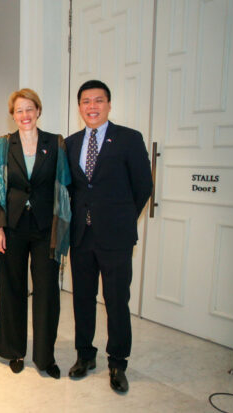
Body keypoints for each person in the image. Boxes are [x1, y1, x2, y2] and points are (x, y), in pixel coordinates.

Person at [65, 80, 152, 393]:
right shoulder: (71, 143)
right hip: (81, 236)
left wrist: (124, 217)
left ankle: (118, 362)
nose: (92, 106)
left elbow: (143, 185)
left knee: (117, 301)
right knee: (83, 299)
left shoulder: (128, 139)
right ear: (79, 107)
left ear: (109, 105)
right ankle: (85, 356)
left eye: (98, 100)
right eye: (86, 101)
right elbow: (73, 188)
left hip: (116, 236)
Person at [0, 88, 71, 377]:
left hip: (45, 229)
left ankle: (45, 357)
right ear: (12, 115)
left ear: (38, 111)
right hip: (11, 227)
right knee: (12, 288)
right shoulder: (2, 145)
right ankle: (14, 350)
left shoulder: (56, 143)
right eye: (19, 110)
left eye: (29, 109)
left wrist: (62, 229)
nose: (24, 115)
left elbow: (64, 188)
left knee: (47, 290)